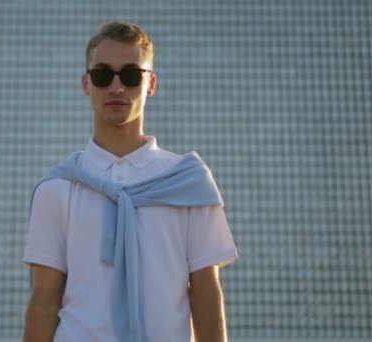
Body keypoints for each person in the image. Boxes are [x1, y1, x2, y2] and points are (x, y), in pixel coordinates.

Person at [23, 21, 238, 342]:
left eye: (131, 75)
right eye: (102, 74)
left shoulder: (187, 181)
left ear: (150, 83)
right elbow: (43, 302)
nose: (116, 87)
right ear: (86, 83)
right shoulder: (57, 188)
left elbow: (206, 292)